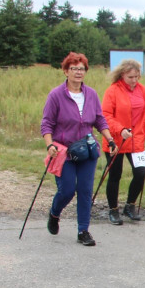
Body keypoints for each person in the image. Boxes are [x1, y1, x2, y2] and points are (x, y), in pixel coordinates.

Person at [41, 52, 116, 246]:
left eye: (81, 68)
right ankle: (54, 213)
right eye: (74, 68)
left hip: (87, 150)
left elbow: (99, 119)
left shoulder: (91, 94)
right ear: (65, 71)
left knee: (85, 190)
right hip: (63, 151)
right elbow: (47, 123)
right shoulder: (56, 95)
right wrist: (49, 144)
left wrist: (109, 138)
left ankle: (83, 230)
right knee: (66, 190)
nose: (78, 72)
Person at [100, 59, 145, 225]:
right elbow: (105, 116)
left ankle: (130, 205)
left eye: (137, 76)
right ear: (122, 75)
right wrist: (120, 129)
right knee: (115, 175)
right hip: (115, 140)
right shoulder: (112, 91)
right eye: (131, 77)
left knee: (140, 173)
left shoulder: (142, 90)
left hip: (136, 139)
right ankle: (113, 209)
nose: (134, 80)